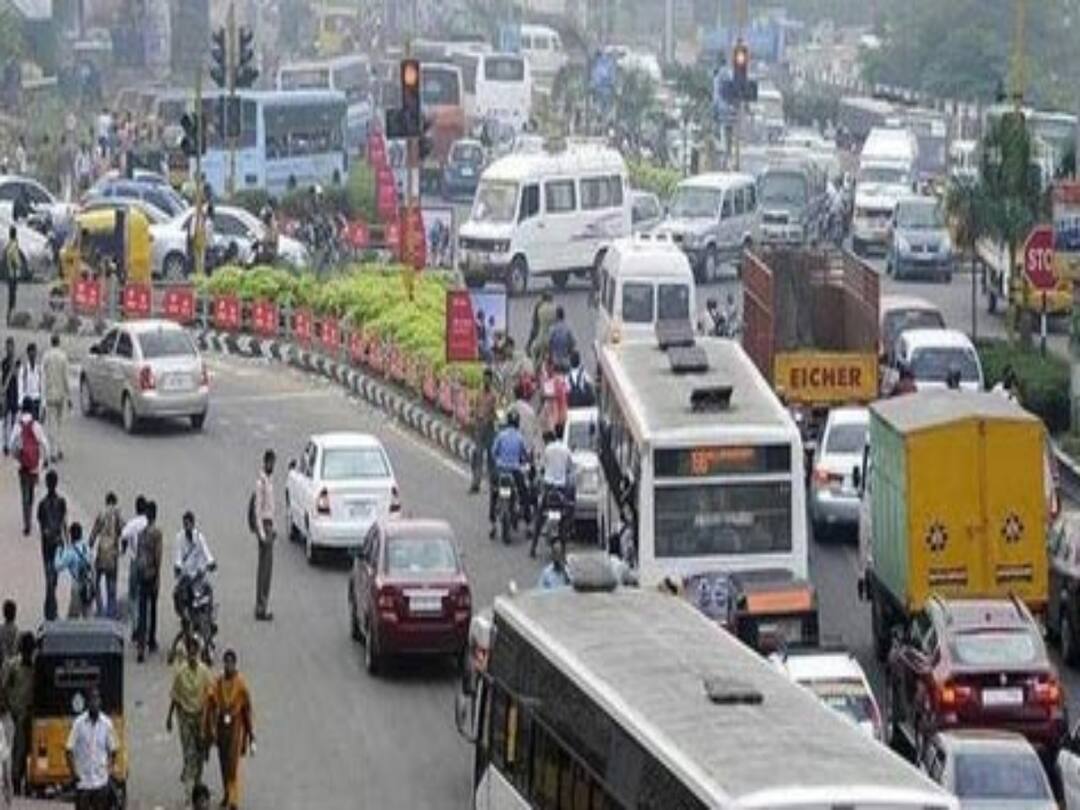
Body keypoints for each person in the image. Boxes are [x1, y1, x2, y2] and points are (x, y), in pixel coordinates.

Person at [204, 649, 255, 810]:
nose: (228, 666)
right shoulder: (218, 682)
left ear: (235, 664)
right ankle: (227, 793)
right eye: (226, 662)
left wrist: (251, 734)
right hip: (222, 727)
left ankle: (234, 800)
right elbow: (210, 702)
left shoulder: (241, 684)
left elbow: (247, 709)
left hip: (235, 728)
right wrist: (209, 729)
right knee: (223, 763)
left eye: (231, 663)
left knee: (233, 764)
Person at [166, 637, 212, 803]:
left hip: (201, 717)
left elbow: (210, 697)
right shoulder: (180, 673)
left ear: (198, 653)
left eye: (195, 652)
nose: (192, 656)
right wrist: (169, 717)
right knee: (189, 754)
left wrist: (211, 722)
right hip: (185, 717)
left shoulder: (205, 672)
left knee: (200, 753)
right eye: (190, 653)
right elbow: (175, 697)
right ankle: (189, 792)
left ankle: (198, 785)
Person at [65, 686, 117, 810]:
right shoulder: (78, 724)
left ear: (100, 702)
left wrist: (108, 771)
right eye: (92, 699)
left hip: (101, 784)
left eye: (97, 699)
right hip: (83, 784)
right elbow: (68, 750)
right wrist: (74, 773)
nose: (95, 702)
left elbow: (113, 750)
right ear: (87, 702)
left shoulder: (107, 724)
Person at [530, 424, 575, 558]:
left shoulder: (548, 449)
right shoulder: (566, 450)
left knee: (540, 517)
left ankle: (533, 547)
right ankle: (564, 548)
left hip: (549, 487)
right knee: (566, 516)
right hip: (561, 488)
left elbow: (542, 467)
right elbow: (570, 469)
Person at [489, 410, 531, 537]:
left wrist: (498, 460)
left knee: (494, 494)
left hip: (500, 470)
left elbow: (493, 452)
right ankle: (528, 525)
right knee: (524, 495)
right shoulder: (520, 437)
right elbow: (525, 455)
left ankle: (493, 524)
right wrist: (524, 460)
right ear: (517, 423)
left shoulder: (501, 435)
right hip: (514, 471)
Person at [10, 397, 47, 536]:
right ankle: (30, 515)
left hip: (22, 465)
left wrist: (16, 456)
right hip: (33, 465)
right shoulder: (36, 425)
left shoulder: (18, 426)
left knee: (23, 492)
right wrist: (45, 459)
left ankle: (27, 523)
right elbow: (44, 443)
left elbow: (12, 443)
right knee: (31, 492)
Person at [36, 469, 66, 620]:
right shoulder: (58, 503)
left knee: (52, 580)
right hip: (53, 545)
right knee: (51, 579)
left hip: (50, 546)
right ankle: (51, 611)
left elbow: (43, 524)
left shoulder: (44, 504)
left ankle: (49, 609)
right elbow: (62, 523)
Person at [135, 501, 163, 662]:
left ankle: (140, 645)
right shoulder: (157, 533)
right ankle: (151, 640)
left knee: (142, 610)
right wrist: (158, 577)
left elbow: (138, 554)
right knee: (152, 609)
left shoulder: (142, 533)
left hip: (141, 574)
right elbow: (158, 556)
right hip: (151, 574)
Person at [89, 492, 122, 618]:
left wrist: (90, 544)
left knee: (96, 582)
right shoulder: (117, 515)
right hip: (112, 554)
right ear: (115, 502)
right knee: (111, 585)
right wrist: (123, 548)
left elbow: (94, 533)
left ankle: (100, 608)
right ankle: (111, 612)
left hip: (101, 553)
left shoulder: (101, 514)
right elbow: (123, 531)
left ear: (106, 501)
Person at [53, 522, 95, 618]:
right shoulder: (87, 548)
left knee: (73, 617)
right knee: (88, 615)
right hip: (89, 584)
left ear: (71, 536)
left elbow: (57, 566)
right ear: (81, 534)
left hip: (77, 585)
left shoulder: (71, 551)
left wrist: (58, 550)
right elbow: (92, 564)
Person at [40, 334, 70, 463]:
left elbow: (43, 377)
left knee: (50, 424)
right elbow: (66, 378)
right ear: (59, 342)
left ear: (51, 342)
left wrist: (42, 397)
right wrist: (68, 395)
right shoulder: (63, 357)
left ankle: (52, 452)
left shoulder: (46, 357)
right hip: (60, 395)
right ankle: (58, 449)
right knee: (59, 424)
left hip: (49, 394)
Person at [254, 450, 276, 621]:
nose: (272, 466)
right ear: (266, 462)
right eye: (271, 463)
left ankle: (262, 605)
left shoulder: (269, 480)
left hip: (269, 526)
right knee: (264, 570)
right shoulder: (261, 483)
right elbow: (258, 511)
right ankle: (261, 607)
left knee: (267, 570)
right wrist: (262, 533)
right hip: (264, 527)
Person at [120, 496, 148, 629]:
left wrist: (124, 549)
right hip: (147, 562)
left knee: (133, 595)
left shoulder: (132, 523)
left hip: (135, 561)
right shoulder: (148, 523)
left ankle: (135, 624)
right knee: (145, 595)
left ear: (136, 508)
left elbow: (123, 535)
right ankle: (145, 624)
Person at [469, 369, 497, 495]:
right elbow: (475, 408)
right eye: (484, 378)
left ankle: (493, 484)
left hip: (490, 429)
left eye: (488, 379)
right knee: (477, 455)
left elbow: (497, 413)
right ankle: (476, 483)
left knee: (491, 458)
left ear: (491, 380)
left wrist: (490, 419)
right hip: (479, 428)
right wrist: (474, 420)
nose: (486, 381)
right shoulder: (479, 394)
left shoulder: (494, 396)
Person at [527, 291, 556, 367]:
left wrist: (529, 342)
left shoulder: (539, 307)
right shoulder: (554, 308)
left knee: (532, 350)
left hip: (541, 336)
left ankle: (535, 366)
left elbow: (535, 325)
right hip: (551, 338)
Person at [4, 227, 23, 324]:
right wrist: (19, 264)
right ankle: (10, 317)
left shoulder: (8, 244)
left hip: (9, 272)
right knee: (13, 296)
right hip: (13, 273)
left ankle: (9, 316)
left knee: (11, 296)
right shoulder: (14, 245)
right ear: (15, 234)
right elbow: (15, 257)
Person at [546, 306, 575, 371]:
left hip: (555, 361)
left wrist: (549, 358)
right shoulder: (568, 328)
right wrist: (569, 352)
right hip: (566, 361)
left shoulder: (552, 328)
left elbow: (548, 344)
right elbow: (573, 343)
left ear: (556, 316)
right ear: (563, 316)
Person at [1, 338, 17, 455]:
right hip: (5, 394)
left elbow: (16, 374)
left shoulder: (16, 362)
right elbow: (2, 377)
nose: (9, 349)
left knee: (13, 421)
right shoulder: (3, 362)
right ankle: (5, 444)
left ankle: (12, 443)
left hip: (14, 393)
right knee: (5, 419)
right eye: (7, 347)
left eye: (10, 347)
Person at [16, 343, 40, 421]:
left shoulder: (38, 369)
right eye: (31, 353)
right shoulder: (24, 369)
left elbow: (41, 386)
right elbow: (20, 386)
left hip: (36, 401)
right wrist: (20, 403)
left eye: (34, 352)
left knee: (36, 424)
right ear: (28, 354)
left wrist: (43, 404)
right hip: (27, 401)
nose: (33, 355)